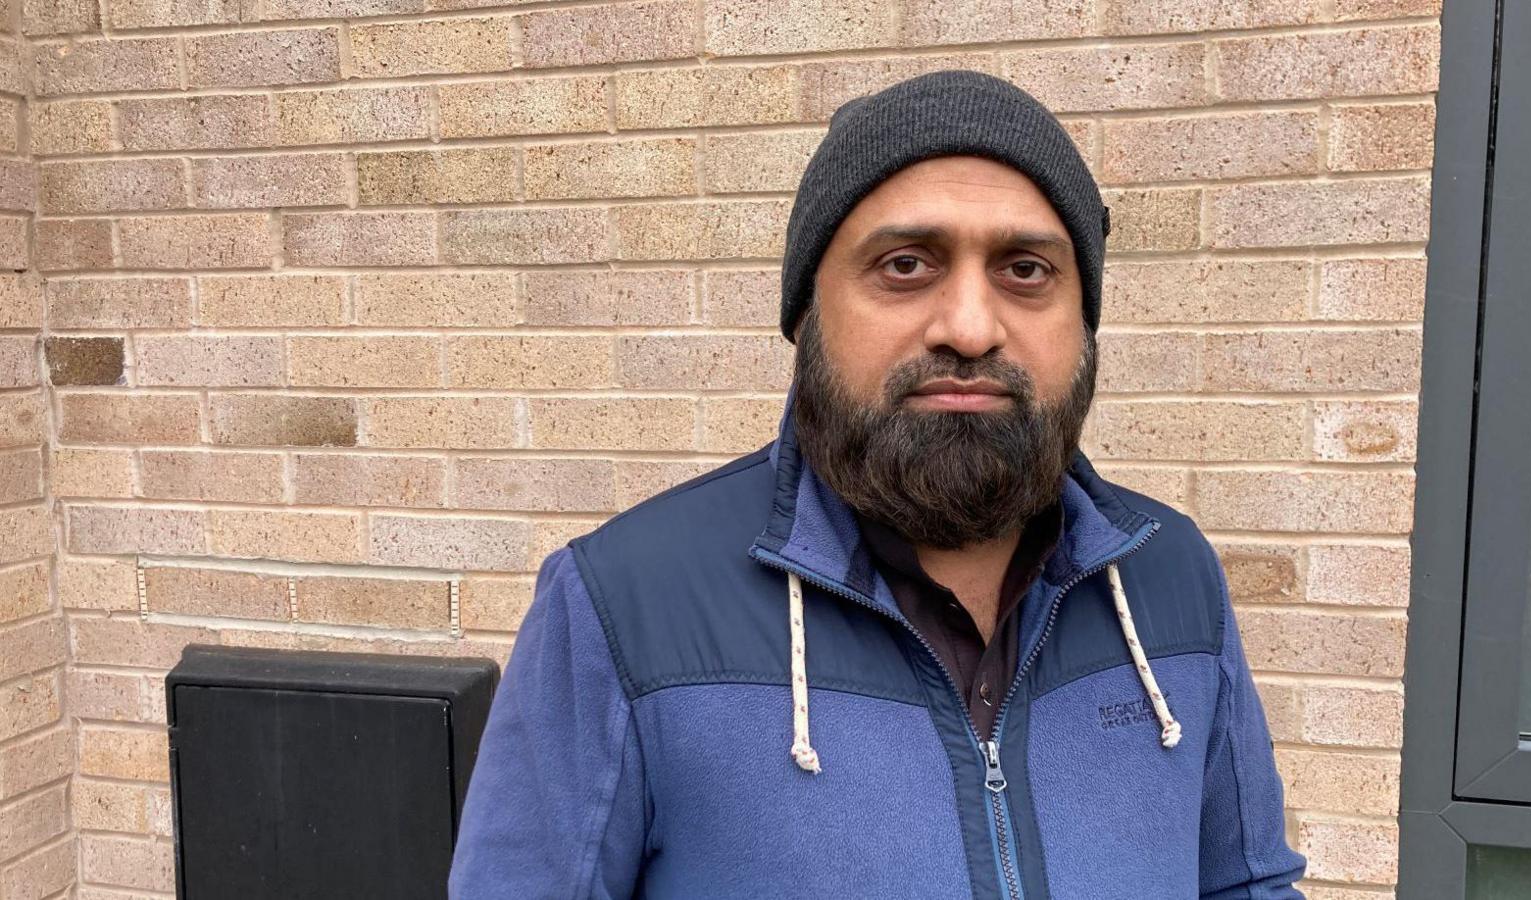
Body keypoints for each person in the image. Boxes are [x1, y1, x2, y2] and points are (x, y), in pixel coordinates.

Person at [448, 69, 1307, 899]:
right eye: (905, 265)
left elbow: (1248, 884)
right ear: (808, 313)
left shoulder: (1172, 577)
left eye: (1026, 270)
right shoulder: (620, 606)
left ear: (1081, 323)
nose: (970, 327)